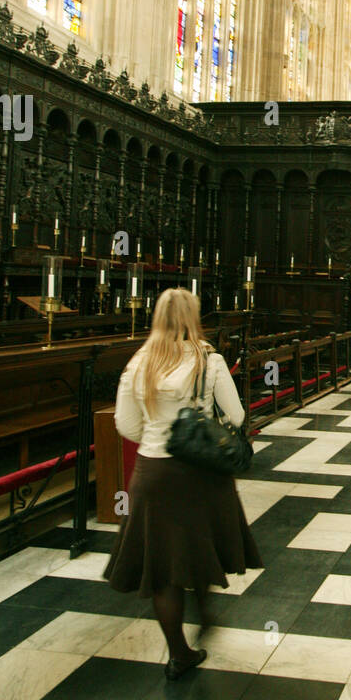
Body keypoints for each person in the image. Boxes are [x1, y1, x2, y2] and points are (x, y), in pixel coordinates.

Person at [104, 287, 262, 679]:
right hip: (203, 472)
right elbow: (238, 416)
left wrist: (157, 436)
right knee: (201, 542)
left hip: (154, 474)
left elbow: (125, 425)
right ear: (193, 317)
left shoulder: (138, 363)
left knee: (162, 564)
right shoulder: (211, 360)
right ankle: (205, 611)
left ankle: (178, 654)